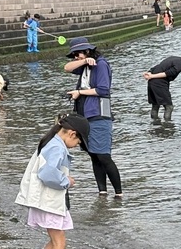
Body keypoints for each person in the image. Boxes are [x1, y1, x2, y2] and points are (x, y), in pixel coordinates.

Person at [15, 114, 89, 249]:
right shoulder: (57, 147)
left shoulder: (52, 142)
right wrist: (66, 181)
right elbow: (47, 173)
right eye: (78, 142)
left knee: (56, 240)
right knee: (59, 242)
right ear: (72, 134)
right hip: (48, 200)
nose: (76, 146)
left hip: (47, 199)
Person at [64, 37, 122, 197]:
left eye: (78, 54)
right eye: (74, 55)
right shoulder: (84, 65)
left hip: (99, 115)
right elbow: (67, 68)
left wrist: (79, 92)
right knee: (94, 156)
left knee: (103, 156)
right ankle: (102, 192)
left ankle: (119, 193)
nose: (75, 57)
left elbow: (103, 89)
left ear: (88, 51)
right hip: (85, 116)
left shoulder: (101, 64)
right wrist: (83, 61)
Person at [143, 50, 181, 121]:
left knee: (155, 105)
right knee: (169, 107)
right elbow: (167, 73)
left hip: (152, 82)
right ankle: (167, 125)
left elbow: (158, 66)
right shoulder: (180, 65)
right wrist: (152, 76)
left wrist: (149, 72)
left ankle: (155, 124)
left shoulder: (174, 58)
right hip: (159, 83)